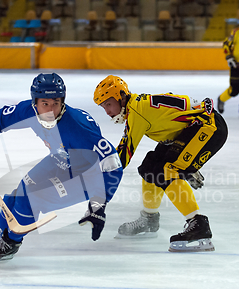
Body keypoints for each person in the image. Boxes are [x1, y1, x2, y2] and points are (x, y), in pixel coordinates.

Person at [0, 73, 123, 262]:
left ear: (62, 102)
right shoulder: (28, 110)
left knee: (33, 199)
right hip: (61, 160)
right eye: (45, 104)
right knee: (18, 194)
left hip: (87, 176)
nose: (51, 110)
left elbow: (113, 164)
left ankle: (10, 243)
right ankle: (1, 239)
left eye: (56, 103)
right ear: (35, 103)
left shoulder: (78, 127)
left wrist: (98, 205)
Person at [93, 75, 228, 252]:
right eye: (103, 107)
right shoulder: (136, 106)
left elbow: (123, 155)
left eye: (108, 104)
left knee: (167, 170)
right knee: (150, 166)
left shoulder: (136, 112)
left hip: (208, 127)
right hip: (192, 128)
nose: (107, 111)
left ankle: (198, 225)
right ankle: (149, 219)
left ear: (121, 96)